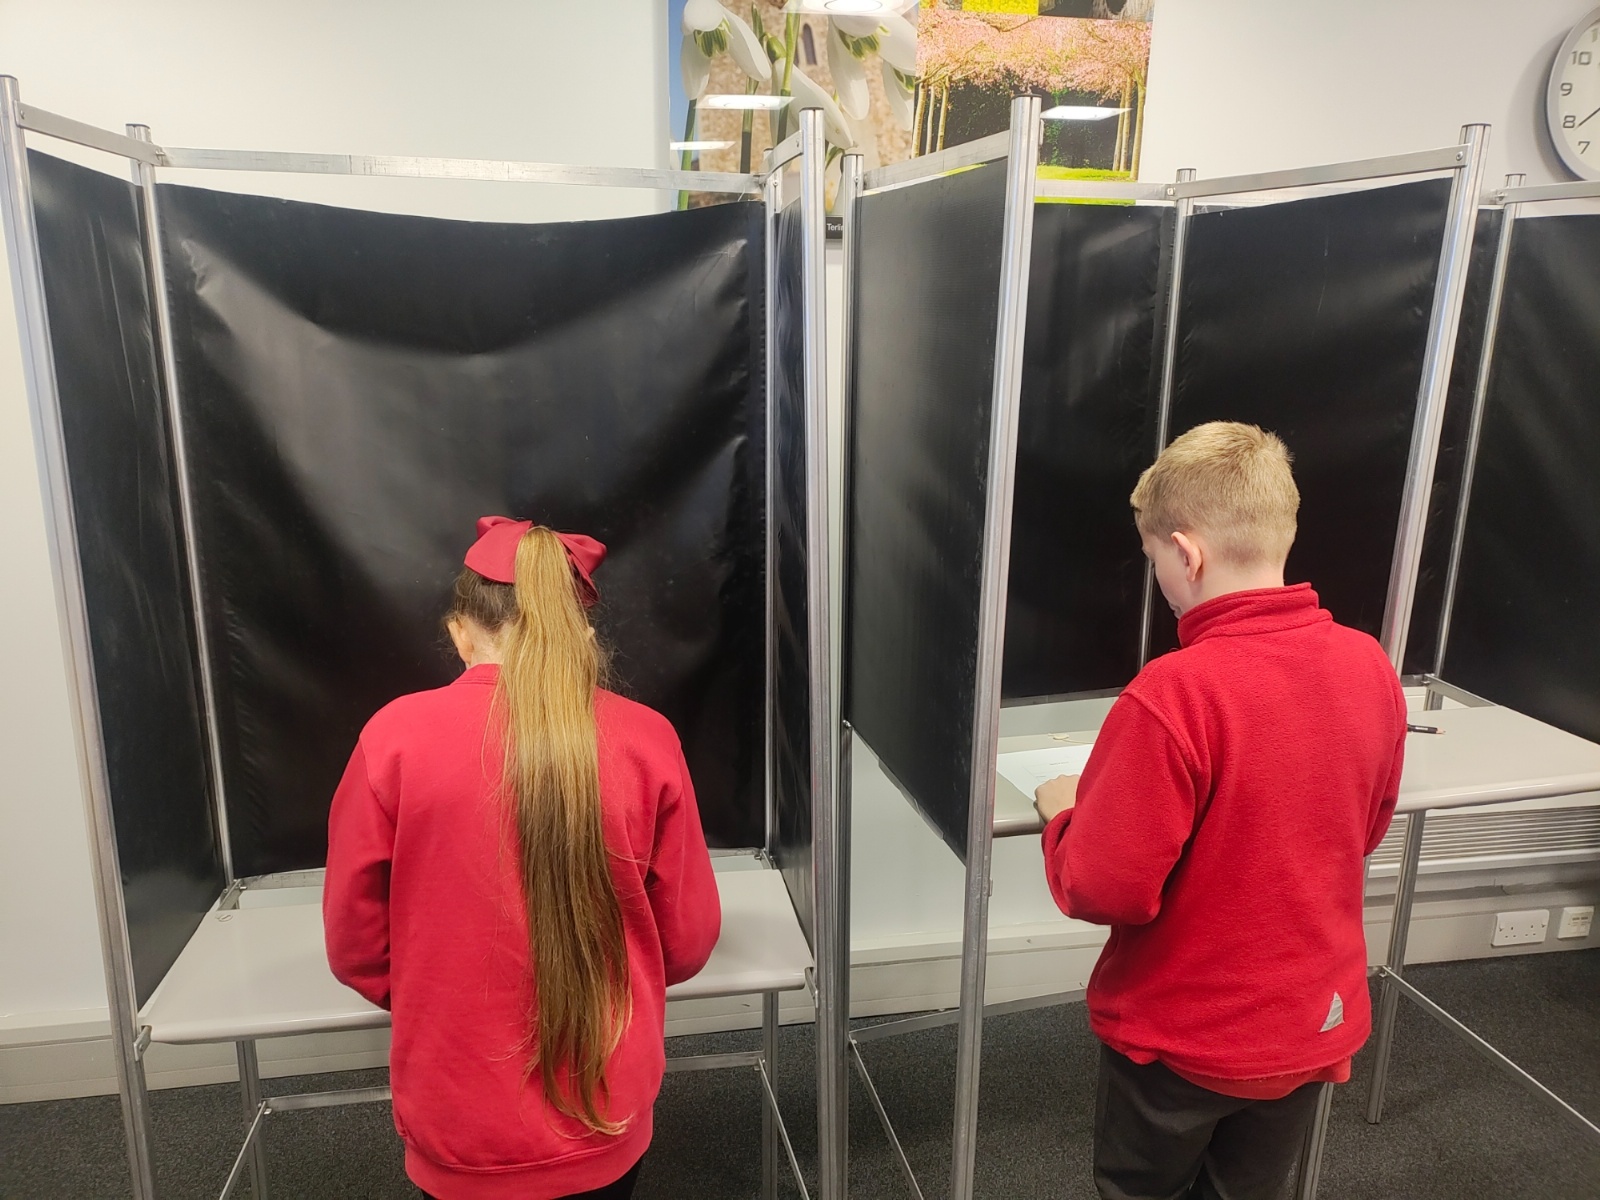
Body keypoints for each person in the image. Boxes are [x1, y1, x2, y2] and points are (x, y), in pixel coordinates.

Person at [1033, 422, 1406, 1200]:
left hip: (1183, 1037)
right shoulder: (1369, 664)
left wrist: (1065, 818)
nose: (1161, 580)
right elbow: (1363, 831)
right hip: (1308, 1023)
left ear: (1187, 553)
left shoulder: (1173, 693)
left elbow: (1105, 887)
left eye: (1154, 561)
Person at [324, 516, 721, 1200]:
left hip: (457, 1116)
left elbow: (354, 946)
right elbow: (686, 942)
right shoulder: (647, 740)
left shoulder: (392, 740)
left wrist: (430, 988)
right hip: (604, 1113)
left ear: (460, 633)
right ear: (581, 635)